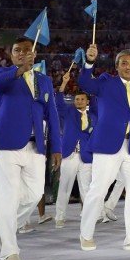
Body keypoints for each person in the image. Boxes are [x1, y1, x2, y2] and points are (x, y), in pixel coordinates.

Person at [0, 38, 63, 260]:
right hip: (6, 146)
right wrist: (20, 69)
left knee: (34, 194)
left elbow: (52, 114)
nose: (22, 53)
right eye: (17, 50)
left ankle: (2, 229)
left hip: (36, 146)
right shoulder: (1, 74)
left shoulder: (44, 80)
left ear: (34, 53)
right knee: (8, 199)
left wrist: (56, 147)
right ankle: (9, 251)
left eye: (27, 50)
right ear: (11, 55)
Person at [76, 44, 130, 252]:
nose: (129, 67)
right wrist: (89, 62)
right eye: (124, 63)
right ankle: (86, 234)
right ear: (117, 66)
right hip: (107, 145)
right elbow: (84, 82)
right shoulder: (105, 82)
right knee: (98, 190)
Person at [54, 87, 95, 229]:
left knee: (86, 189)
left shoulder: (92, 116)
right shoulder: (69, 112)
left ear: (87, 101)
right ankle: (60, 217)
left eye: (82, 99)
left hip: (86, 156)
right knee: (64, 188)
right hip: (69, 155)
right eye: (77, 99)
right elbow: (58, 103)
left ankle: (88, 217)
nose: (79, 101)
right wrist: (63, 86)